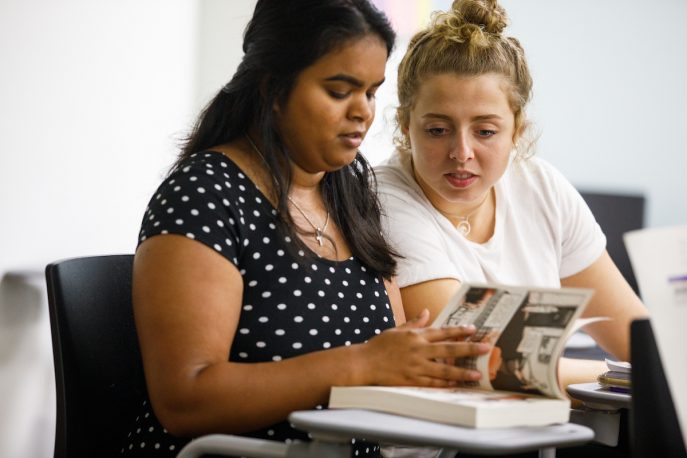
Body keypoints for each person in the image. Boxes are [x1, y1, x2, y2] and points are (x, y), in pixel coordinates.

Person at [122, 1, 490, 457]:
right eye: (340, 91)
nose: (362, 112)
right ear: (272, 88)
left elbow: (390, 350)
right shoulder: (205, 194)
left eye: (371, 92)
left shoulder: (351, 192)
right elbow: (185, 399)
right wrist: (362, 364)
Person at [375, 0, 649, 390]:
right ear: (405, 124)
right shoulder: (384, 197)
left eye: (485, 132)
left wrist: (653, 369)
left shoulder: (541, 187)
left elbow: (638, 340)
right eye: (438, 130)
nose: (462, 153)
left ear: (516, 129)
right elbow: (481, 364)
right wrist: (627, 376)